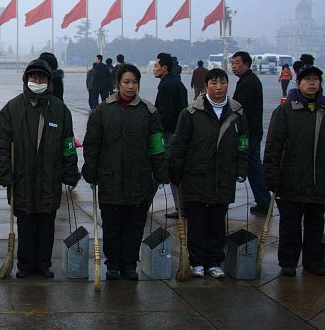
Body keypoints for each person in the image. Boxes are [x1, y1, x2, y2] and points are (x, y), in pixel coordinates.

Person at [0, 59, 80, 278]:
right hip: (20, 177)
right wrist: (4, 173)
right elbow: (1, 145)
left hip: (49, 177)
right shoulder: (12, 109)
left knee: (46, 223)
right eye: (33, 77)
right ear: (26, 79)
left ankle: (43, 262)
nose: (37, 81)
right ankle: (24, 263)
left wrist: (71, 172)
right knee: (25, 221)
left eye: (41, 78)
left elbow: (67, 145)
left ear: (49, 81)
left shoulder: (59, 109)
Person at [83, 63, 168, 280]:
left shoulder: (149, 112)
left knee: (135, 225)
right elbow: (92, 144)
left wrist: (161, 171)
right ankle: (113, 264)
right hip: (110, 178)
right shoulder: (102, 111)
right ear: (117, 84)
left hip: (138, 179)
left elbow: (157, 145)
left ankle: (129, 264)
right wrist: (90, 169)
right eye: (126, 82)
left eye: (135, 82)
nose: (131, 87)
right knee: (111, 225)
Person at [170, 68, 248, 278]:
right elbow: (179, 145)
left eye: (222, 82)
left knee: (217, 221)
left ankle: (214, 261)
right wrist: (175, 171)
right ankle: (196, 261)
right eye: (214, 83)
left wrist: (241, 168)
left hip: (223, 176)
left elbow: (243, 144)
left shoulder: (237, 113)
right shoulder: (191, 113)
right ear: (206, 86)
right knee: (197, 221)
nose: (219, 87)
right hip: (196, 176)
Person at [264, 65, 325, 277]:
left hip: (319, 181)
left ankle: (314, 261)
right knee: (289, 225)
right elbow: (273, 147)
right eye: (307, 79)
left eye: (316, 79)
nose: (312, 83)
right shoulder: (285, 111)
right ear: (298, 83)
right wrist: (271, 177)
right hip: (290, 180)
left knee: (316, 226)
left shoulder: (322, 110)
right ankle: (288, 262)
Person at [230, 51, 272, 216]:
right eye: (232, 63)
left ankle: (264, 201)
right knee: (253, 166)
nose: (234, 66)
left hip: (248, 133)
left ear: (247, 64)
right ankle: (263, 201)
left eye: (237, 63)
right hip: (252, 131)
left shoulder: (248, 83)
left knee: (253, 167)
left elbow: (241, 109)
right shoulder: (247, 81)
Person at [153, 52, 188, 218]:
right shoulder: (178, 83)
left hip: (168, 135)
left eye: (156, 66)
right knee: (175, 172)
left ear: (164, 68)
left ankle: (142, 203)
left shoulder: (166, 86)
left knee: (159, 169)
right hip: (178, 132)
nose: (154, 69)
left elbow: (164, 114)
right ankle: (182, 207)